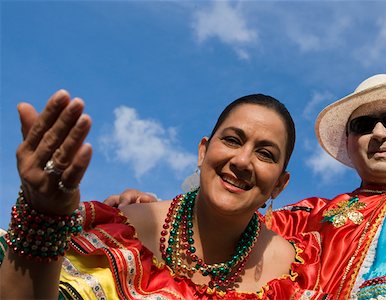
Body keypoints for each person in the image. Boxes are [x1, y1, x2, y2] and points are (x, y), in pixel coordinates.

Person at [108, 74, 386, 299]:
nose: (379, 134)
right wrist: (149, 215)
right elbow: (226, 220)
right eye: (363, 125)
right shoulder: (308, 216)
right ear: (350, 144)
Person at [0, 92, 329, 299]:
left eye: (266, 154)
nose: (242, 161)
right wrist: (43, 214)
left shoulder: (294, 277)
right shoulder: (121, 232)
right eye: (232, 140)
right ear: (203, 151)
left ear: (279, 185)